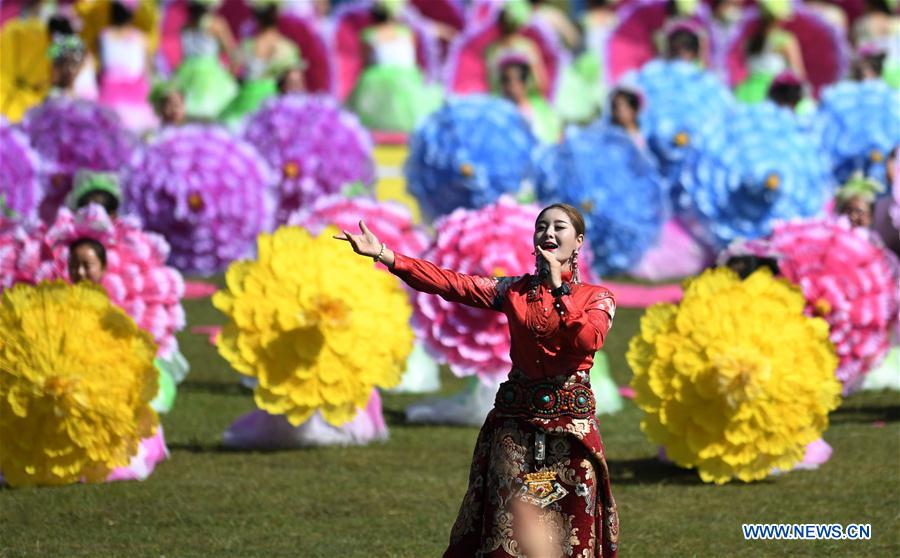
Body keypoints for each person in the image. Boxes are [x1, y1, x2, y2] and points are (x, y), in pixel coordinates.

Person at [334, 204, 619, 557]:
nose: (548, 232)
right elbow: (452, 284)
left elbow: (587, 341)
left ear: (577, 241)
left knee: (571, 531)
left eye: (559, 227)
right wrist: (386, 255)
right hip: (514, 428)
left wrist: (560, 291)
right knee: (508, 527)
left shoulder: (598, 298)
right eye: (541, 226)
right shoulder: (512, 291)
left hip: (572, 433)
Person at [347, 0, 442, 132]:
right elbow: (413, 58)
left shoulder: (368, 34)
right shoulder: (407, 32)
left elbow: (366, 63)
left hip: (378, 80)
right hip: (407, 79)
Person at [219, 1, 301, 127]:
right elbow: (294, 82)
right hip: (272, 104)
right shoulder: (288, 48)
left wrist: (243, 81)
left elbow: (231, 73)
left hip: (244, 100)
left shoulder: (246, 45)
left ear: (256, 18)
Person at [172, 0, 239, 120]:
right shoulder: (217, 25)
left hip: (186, 74)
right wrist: (230, 76)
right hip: (208, 77)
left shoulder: (185, 26)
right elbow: (233, 54)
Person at [97, 0, 157, 132]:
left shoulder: (103, 36)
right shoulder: (141, 39)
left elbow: (100, 68)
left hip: (112, 95)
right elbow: (148, 71)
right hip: (132, 97)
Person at [735, 0, 806, 104]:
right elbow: (798, 74)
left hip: (746, 94)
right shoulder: (785, 41)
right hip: (774, 96)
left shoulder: (749, 41)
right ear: (780, 19)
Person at [498, 56, 561, 143]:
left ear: (525, 82)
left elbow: (556, 135)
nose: (511, 86)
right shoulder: (498, 113)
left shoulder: (541, 107)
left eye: (517, 80)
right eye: (506, 80)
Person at [608, 86, 646, 151]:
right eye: (615, 108)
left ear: (634, 109)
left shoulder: (648, 136)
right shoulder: (613, 138)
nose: (619, 112)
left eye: (623, 107)